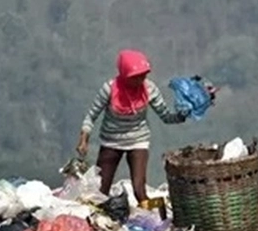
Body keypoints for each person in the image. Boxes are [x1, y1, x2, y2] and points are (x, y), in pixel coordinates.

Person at [76, 49, 188, 206]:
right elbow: (91, 116)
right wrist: (83, 139)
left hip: (138, 141)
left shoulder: (149, 89)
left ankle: (159, 215)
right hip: (110, 142)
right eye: (135, 77)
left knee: (139, 190)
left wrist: (182, 115)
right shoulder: (109, 89)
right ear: (124, 75)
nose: (140, 80)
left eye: (143, 76)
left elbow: (166, 116)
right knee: (100, 191)